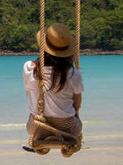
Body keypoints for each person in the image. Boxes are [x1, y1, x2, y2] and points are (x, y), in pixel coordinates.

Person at [23, 23, 83, 152]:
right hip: (68, 128)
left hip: (37, 125)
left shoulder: (29, 68)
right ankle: (64, 141)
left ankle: (44, 139)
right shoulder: (73, 74)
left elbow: (28, 93)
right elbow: (77, 105)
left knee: (34, 115)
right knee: (76, 124)